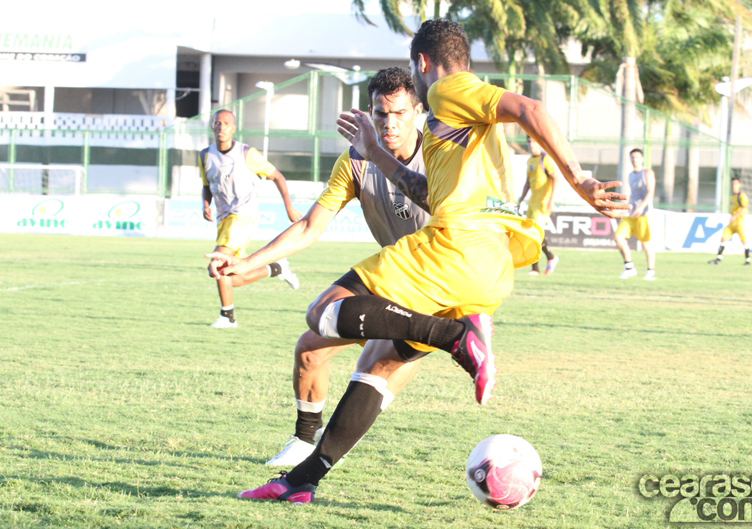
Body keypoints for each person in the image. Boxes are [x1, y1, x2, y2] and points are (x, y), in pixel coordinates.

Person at [223, 19, 629, 503]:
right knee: (374, 370)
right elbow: (428, 193)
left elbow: (530, 108)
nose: (390, 119)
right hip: (487, 273)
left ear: (421, 65)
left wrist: (579, 178)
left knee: (322, 313)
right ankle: (303, 480)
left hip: (453, 251)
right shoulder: (454, 129)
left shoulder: (446, 91)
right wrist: (374, 153)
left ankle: (458, 338)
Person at [208, 67, 431, 466]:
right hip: (393, 274)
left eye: (399, 113)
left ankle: (330, 452)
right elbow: (311, 227)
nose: (389, 123)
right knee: (310, 347)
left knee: (373, 371)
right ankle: (304, 441)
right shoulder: (355, 161)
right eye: (381, 114)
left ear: (418, 111)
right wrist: (248, 262)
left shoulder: (439, 153)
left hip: (441, 284)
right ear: (369, 113)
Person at [201, 109, 303, 328]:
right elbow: (206, 185)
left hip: (243, 216)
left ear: (233, 128)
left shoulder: (247, 153)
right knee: (231, 276)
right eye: (217, 123)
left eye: (226, 123)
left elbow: (277, 175)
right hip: (224, 219)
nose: (221, 127)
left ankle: (227, 317)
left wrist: (289, 207)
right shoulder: (205, 155)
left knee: (217, 264)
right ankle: (274, 268)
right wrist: (205, 203)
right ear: (212, 126)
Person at [517, 136, 559, 276]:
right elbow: (528, 183)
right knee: (531, 234)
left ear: (540, 144)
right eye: (529, 142)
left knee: (536, 234)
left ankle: (537, 267)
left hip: (542, 203)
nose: (531, 145)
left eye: (534, 142)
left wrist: (551, 201)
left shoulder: (545, 159)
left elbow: (555, 179)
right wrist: (520, 200)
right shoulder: (530, 160)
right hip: (532, 203)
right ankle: (550, 258)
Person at [615, 148, 656, 280]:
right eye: (633, 157)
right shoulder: (631, 175)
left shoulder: (647, 173)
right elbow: (633, 195)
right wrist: (626, 208)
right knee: (618, 237)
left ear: (642, 158)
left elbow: (650, 192)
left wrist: (641, 207)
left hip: (644, 213)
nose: (635, 159)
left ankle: (650, 271)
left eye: (637, 157)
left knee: (645, 243)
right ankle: (629, 267)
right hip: (631, 213)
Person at [708, 176, 750, 265]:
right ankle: (718, 259)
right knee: (723, 238)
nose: (733, 186)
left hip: (739, 223)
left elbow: (744, 207)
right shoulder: (732, 197)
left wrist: (735, 215)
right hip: (732, 223)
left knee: (744, 241)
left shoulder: (742, 196)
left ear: (740, 185)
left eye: (735, 184)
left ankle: (748, 260)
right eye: (733, 184)